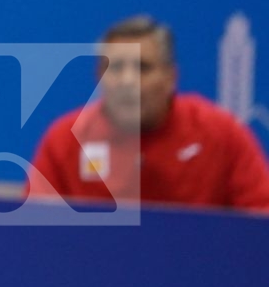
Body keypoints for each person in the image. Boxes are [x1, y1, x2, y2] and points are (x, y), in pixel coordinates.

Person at [30, 16, 269, 210]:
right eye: (115, 68)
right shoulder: (65, 139)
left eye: (142, 68)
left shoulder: (221, 134)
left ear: (171, 77)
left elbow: (261, 219)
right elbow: (36, 230)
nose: (127, 81)